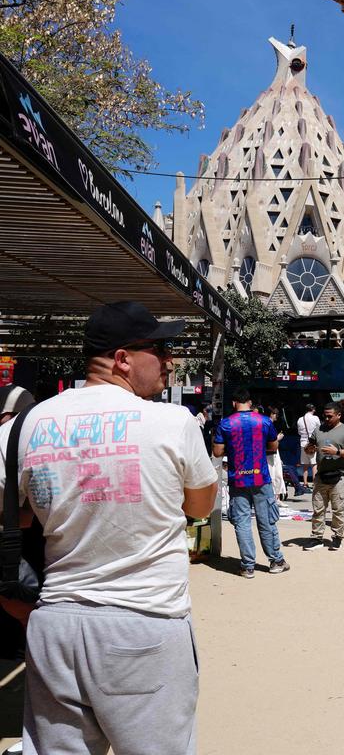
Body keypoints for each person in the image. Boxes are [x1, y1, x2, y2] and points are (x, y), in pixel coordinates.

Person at [0, 301, 218, 754]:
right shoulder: (171, 422)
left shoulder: (23, 426)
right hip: (145, 623)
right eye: (161, 348)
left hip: (55, 625)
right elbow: (199, 506)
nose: (170, 360)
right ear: (122, 359)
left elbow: (13, 516)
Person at [214, 388, 289, 578]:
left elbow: (217, 452)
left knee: (242, 523)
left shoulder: (226, 424)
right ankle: (276, 561)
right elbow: (273, 446)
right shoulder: (264, 421)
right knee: (267, 522)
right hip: (260, 477)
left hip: (237, 479)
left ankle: (248, 566)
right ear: (250, 402)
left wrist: (233, 450)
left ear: (233, 403)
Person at [304, 401, 344, 551]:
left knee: (338, 509)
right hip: (321, 475)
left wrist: (338, 452)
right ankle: (316, 538)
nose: (326, 419)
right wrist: (309, 448)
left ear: (338, 415)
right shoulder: (319, 429)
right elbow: (309, 450)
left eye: (330, 416)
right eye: (325, 416)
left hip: (340, 476)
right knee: (318, 509)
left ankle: (337, 537)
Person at [296, 403, 321, 488]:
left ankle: (305, 483)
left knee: (305, 465)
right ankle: (314, 482)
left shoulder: (300, 419)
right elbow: (319, 429)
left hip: (303, 443)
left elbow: (299, 432)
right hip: (312, 443)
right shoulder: (315, 418)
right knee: (314, 464)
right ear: (313, 409)